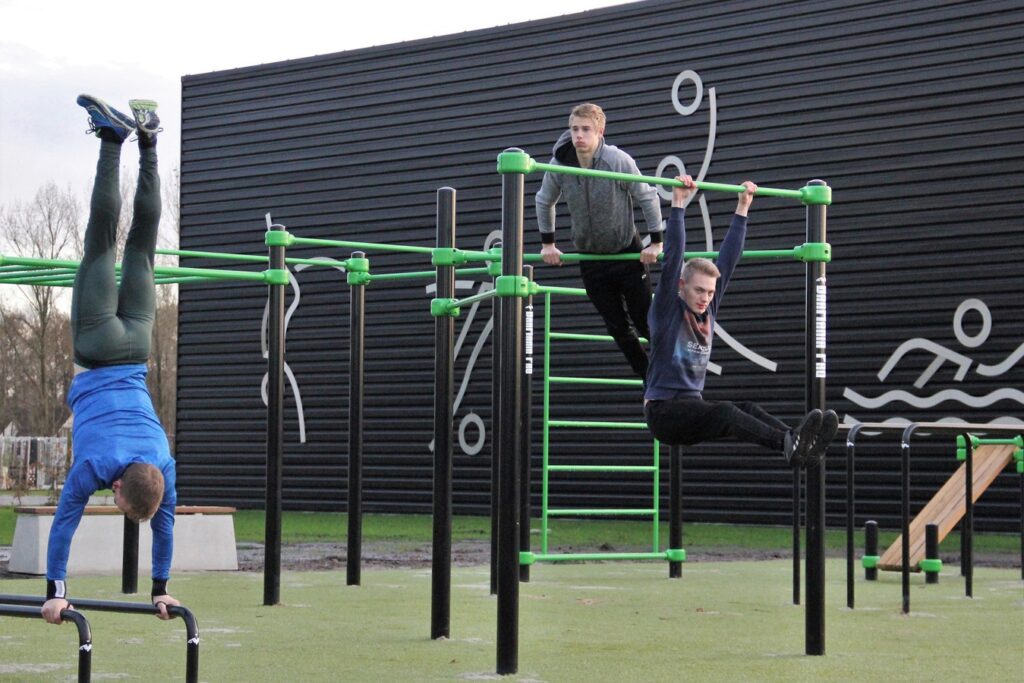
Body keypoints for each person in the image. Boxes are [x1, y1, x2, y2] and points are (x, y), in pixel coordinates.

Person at [41, 94, 180, 624]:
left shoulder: (163, 466)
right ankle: (110, 138)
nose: (113, 504)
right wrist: (56, 591)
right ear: (119, 488)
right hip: (98, 349)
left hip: (138, 345)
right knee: (100, 243)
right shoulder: (94, 467)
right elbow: (65, 523)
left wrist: (160, 589)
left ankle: (148, 141)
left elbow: (166, 528)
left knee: (143, 247)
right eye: (117, 504)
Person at [643, 176, 839, 467]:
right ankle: (788, 444)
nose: (705, 298)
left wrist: (743, 207)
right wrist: (679, 204)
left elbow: (729, 259)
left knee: (746, 408)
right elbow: (673, 256)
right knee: (726, 412)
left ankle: (798, 442)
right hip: (664, 412)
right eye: (699, 290)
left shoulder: (708, 309)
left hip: (691, 407)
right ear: (681, 286)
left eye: (710, 292)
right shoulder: (667, 310)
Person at [535, 102, 663, 381]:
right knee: (616, 326)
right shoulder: (560, 164)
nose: (578, 135)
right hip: (591, 257)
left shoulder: (616, 160)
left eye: (585, 129)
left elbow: (647, 195)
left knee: (646, 323)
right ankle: (649, 379)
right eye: (574, 129)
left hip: (626, 252)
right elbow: (544, 200)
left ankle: (671, 375)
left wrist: (656, 243)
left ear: (600, 131)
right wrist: (548, 244)